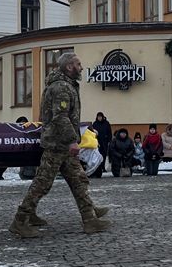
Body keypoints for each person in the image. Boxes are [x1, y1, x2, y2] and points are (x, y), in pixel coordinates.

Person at [10, 52, 111, 237]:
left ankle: (90, 218)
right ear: (69, 67)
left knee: (78, 180)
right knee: (42, 183)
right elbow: (61, 116)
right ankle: (21, 220)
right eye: (78, 64)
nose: (81, 67)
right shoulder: (61, 87)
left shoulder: (67, 85)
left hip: (63, 144)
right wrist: (73, 140)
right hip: (58, 144)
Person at [89, 112, 112, 179]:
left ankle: (103, 167)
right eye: (98, 117)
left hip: (104, 141)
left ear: (102, 117)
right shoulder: (95, 123)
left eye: (100, 117)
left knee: (104, 155)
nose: (99, 118)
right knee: (98, 155)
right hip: (97, 142)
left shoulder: (106, 123)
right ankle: (98, 167)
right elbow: (92, 132)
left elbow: (109, 132)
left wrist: (109, 140)